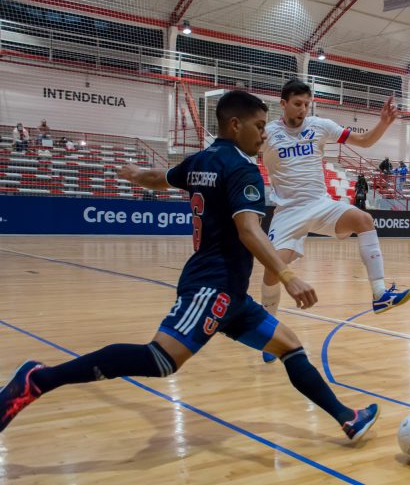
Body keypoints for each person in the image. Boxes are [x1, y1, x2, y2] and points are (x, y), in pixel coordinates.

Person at [0, 90, 379, 442]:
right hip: (211, 287)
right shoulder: (242, 170)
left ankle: (347, 418)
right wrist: (288, 275)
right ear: (236, 125)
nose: (264, 135)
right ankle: (39, 379)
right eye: (259, 126)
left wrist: (135, 176)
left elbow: (160, 179)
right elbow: (249, 230)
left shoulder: (201, 160)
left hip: (231, 292)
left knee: (290, 347)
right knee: (161, 360)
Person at [259, 79, 410, 361]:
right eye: (297, 104)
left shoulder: (320, 125)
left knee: (365, 219)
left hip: (320, 204)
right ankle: (268, 334)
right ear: (283, 104)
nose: (303, 109)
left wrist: (384, 123)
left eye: (307, 104)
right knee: (272, 270)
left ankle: (379, 293)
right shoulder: (267, 133)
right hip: (288, 212)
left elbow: (364, 141)